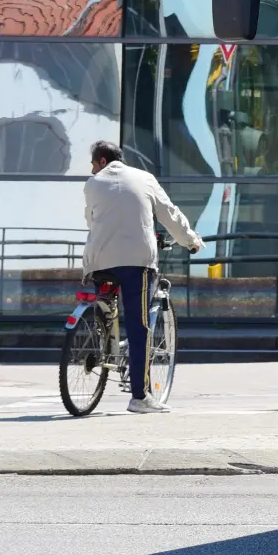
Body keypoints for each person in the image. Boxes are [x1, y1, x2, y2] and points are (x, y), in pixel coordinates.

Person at [83, 141, 205, 414]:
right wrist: (191, 241)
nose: (92, 168)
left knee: (107, 297)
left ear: (102, 161)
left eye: (93, 163)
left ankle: (106, 329)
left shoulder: (93, 183)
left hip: (98, 260)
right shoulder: (145, 179)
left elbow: (91, 219)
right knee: (139, 327)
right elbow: (169, 214)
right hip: (136, 262)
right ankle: (140, 396)